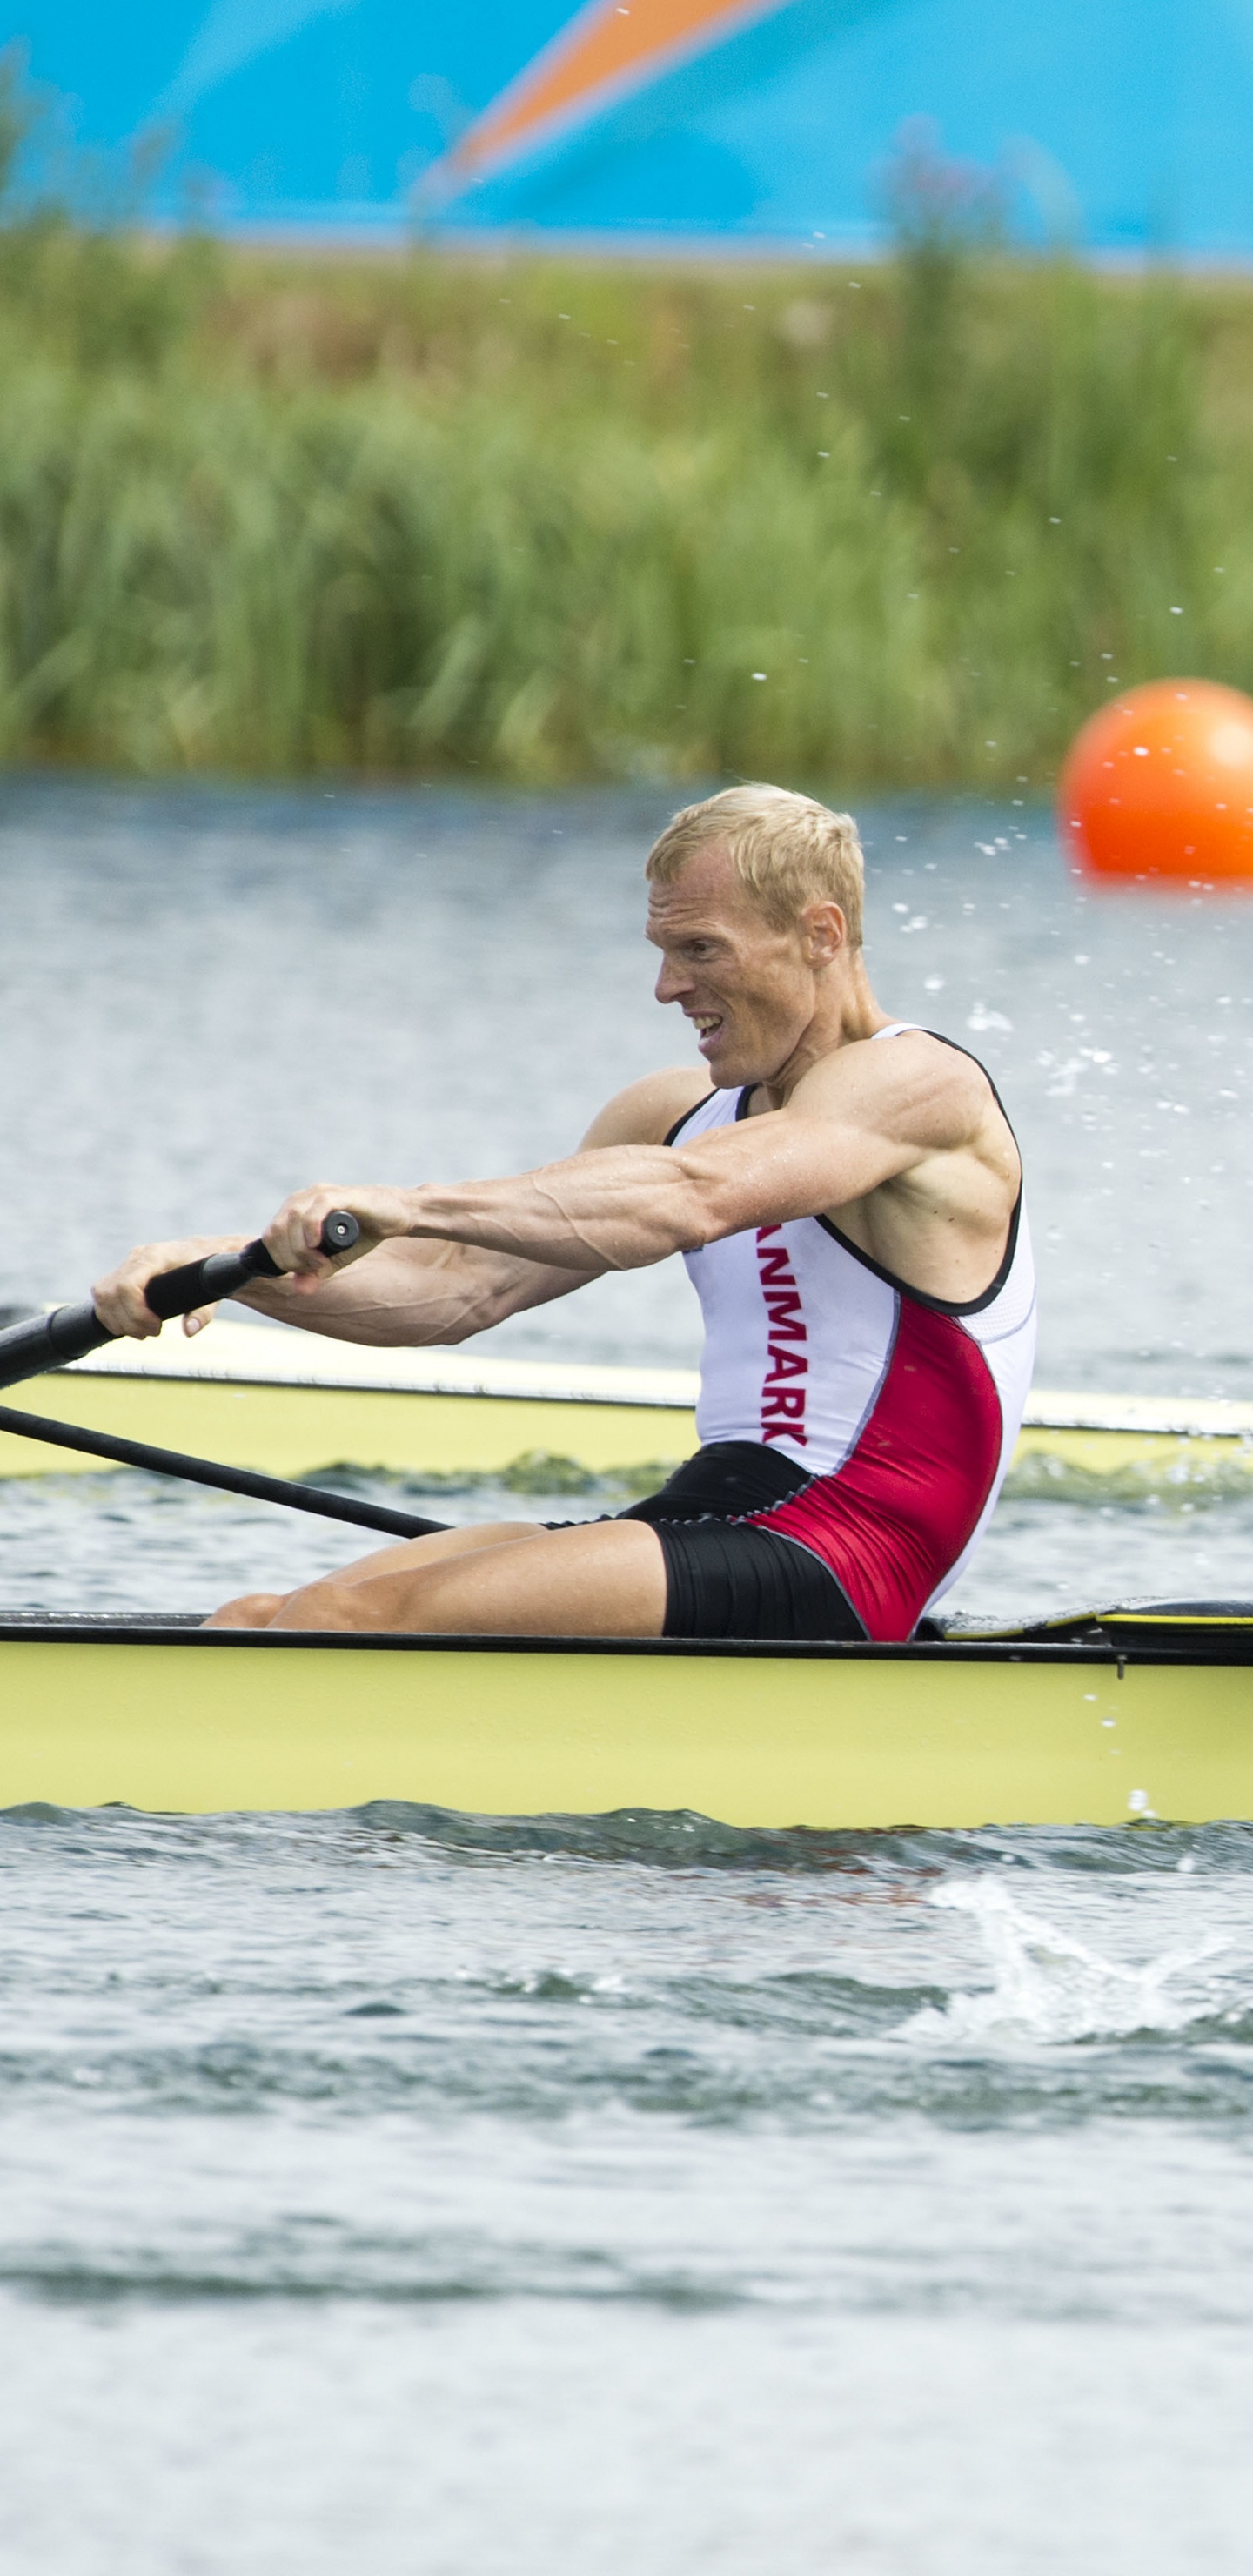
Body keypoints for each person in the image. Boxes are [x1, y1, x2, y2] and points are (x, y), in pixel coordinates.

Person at [94, 784, 1035, 1641]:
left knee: (342, 1620)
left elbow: (692, 1199)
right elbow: (453, 1293)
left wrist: (410, 1202)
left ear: (821, 934)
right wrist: (227, 1265)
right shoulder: (670, 1115)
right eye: (664, 953)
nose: (668, 988)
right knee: (257, 1617)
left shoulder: (918, 1085)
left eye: (701, 949)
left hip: (851, 1547)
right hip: (714, 1515)